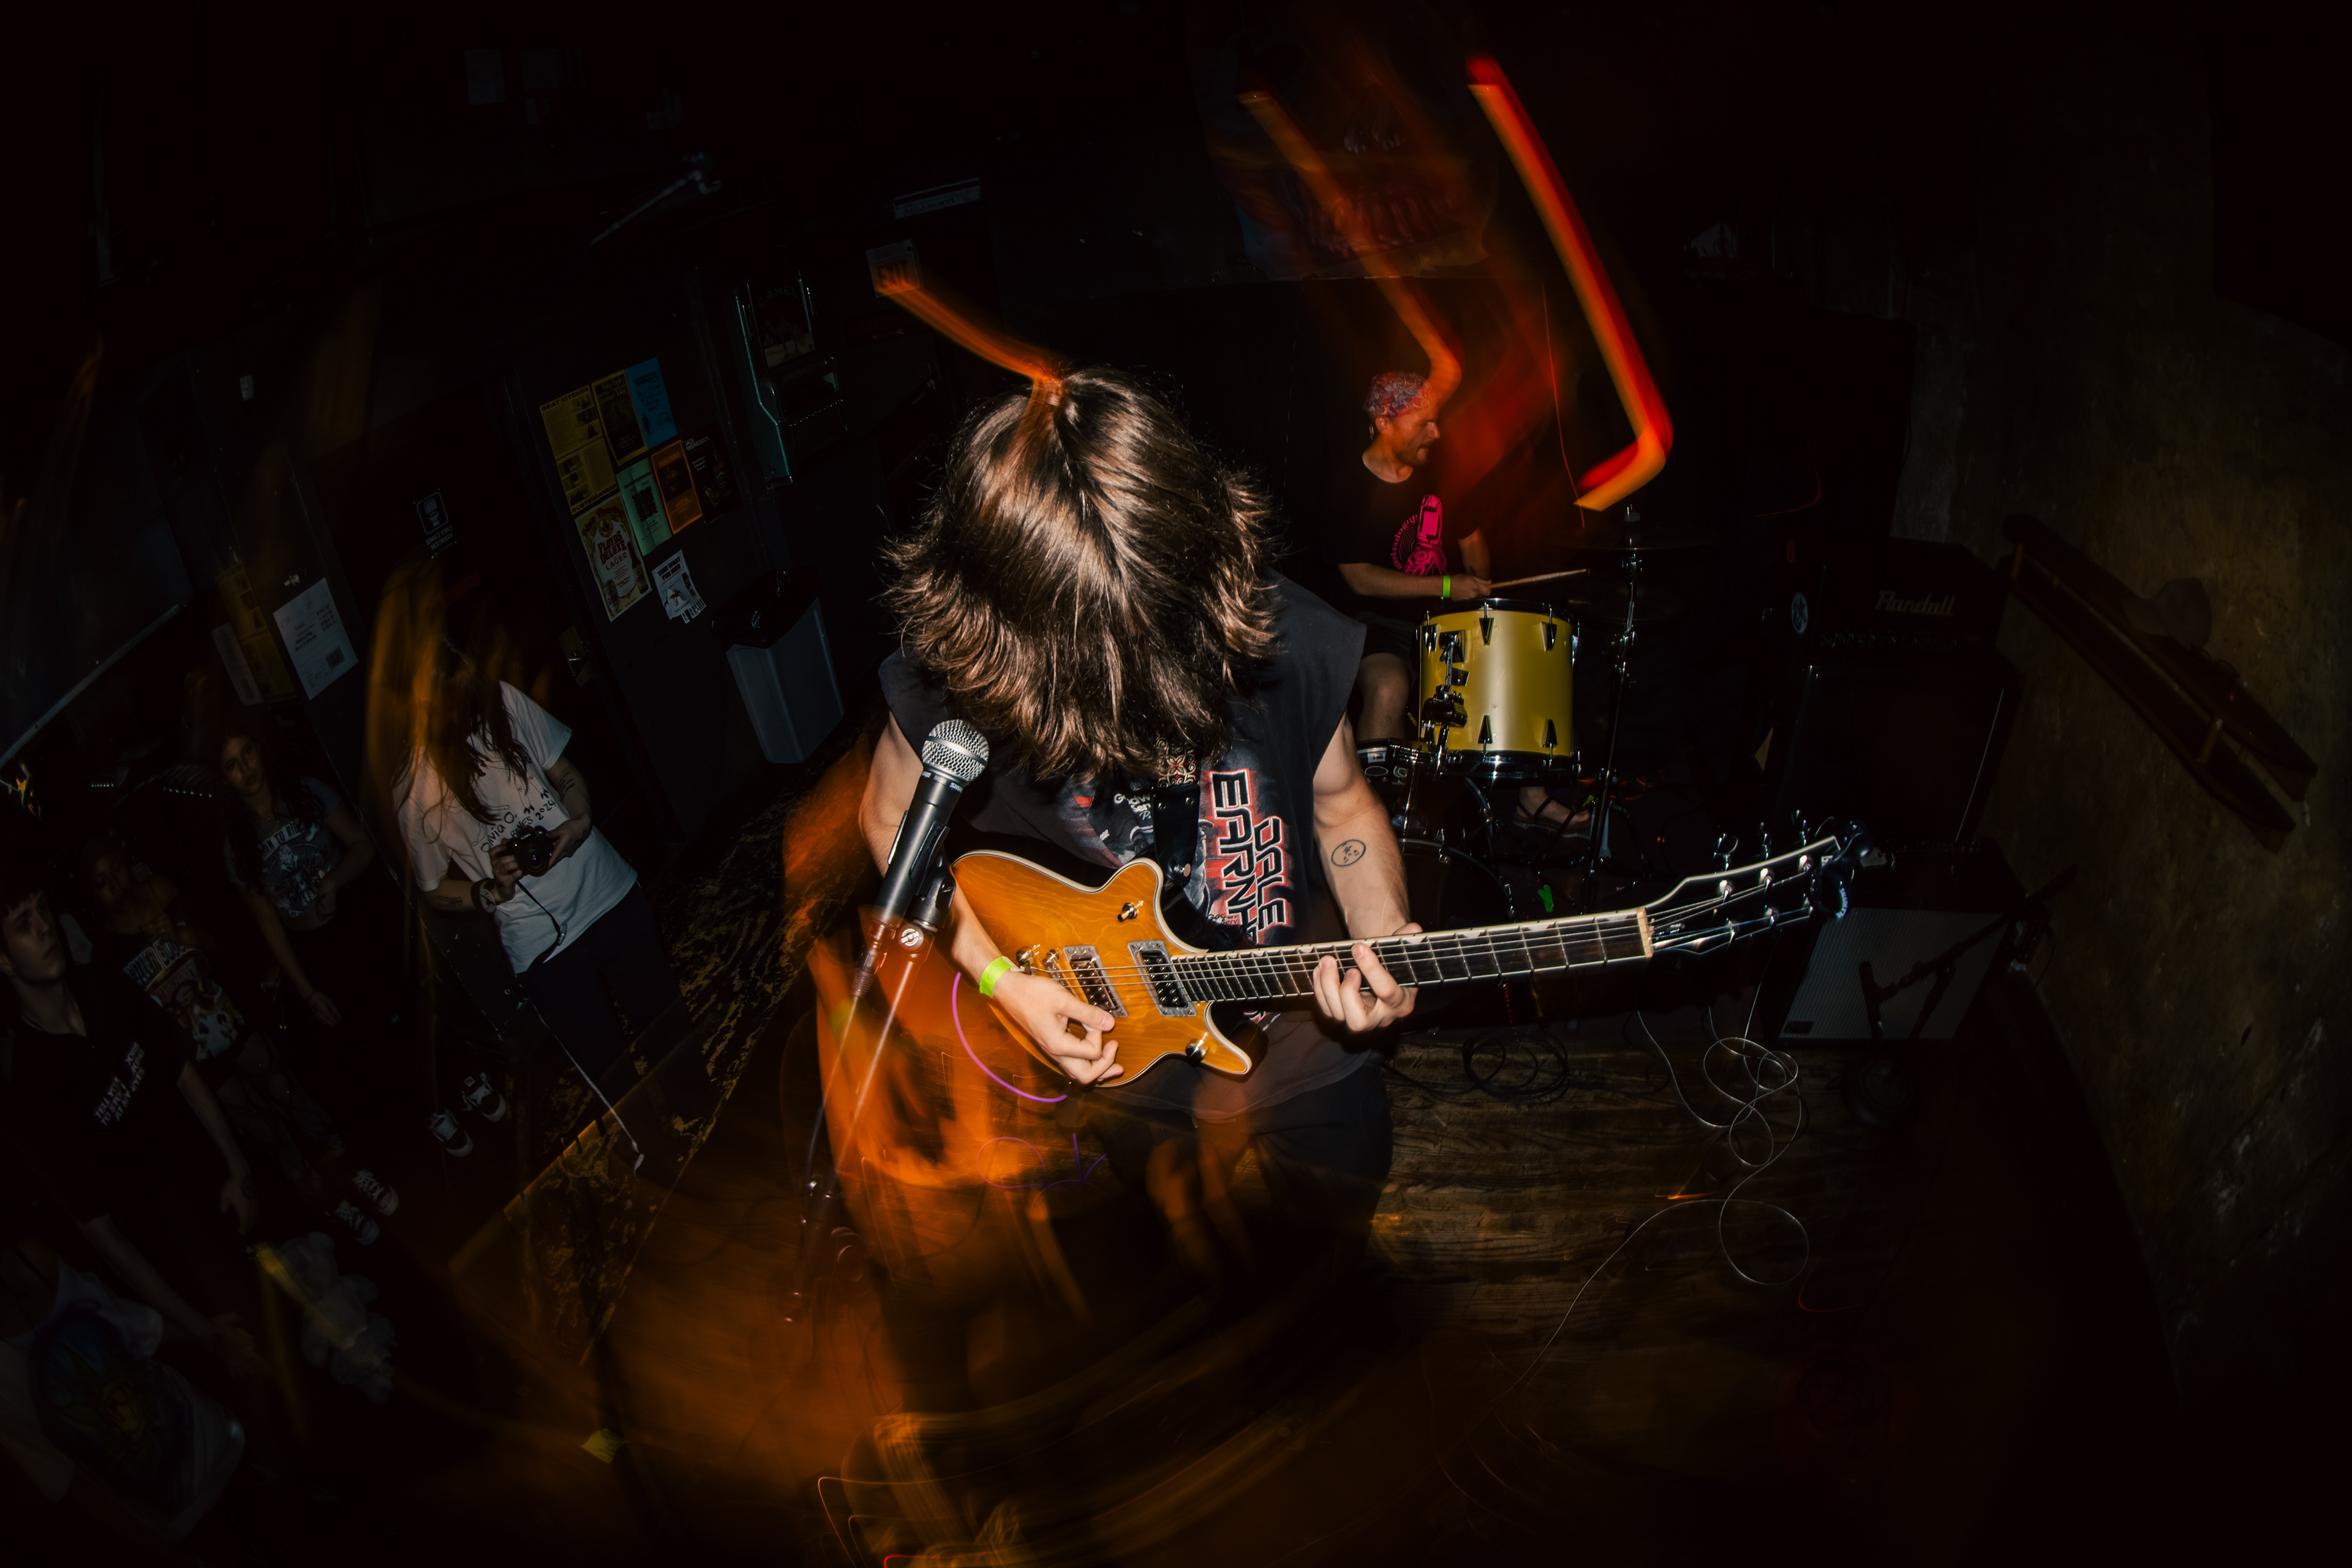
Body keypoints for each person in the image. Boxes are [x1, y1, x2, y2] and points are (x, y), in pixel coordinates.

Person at [864, 366, 1419, 1268]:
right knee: (1179, 1267)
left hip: (1305, 1036)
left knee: (1333, 1254)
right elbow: (892, 822)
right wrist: (1005, 984)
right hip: (1128, 1049)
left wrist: (1384, 933)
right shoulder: (962, 673)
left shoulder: (1289, 633)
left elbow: (1343, 806)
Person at [0, 858, 265, 1386]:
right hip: (189, 1264)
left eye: (43, 911)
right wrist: (201, 1328)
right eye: (23, 925)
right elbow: (103, 1235)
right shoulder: (33, 1091)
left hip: (231, 1194)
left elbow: (179, 1068)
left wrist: (235, 1161)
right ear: (3, 960)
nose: (45, 929)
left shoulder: (101, 984)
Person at [81, 832, 391, 1242]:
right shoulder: (103, 952)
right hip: (191, 1054)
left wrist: (182, 935)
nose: (114, 885)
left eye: (116, 871)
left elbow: (217, 941)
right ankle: (331, 1201)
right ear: (91, 892)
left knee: (286, 1090)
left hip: (224, 1016)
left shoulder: (158, 890)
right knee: (259, 1126)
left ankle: (353, 1171)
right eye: (101, 881)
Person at [392, 645, 679, 1087]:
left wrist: (579, 822)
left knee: (672, 1038)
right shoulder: (414, 788)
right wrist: (492, 891)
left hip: (608, 891)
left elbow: (563, 772)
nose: (469, 710)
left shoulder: (502, 699)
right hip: (542, 944)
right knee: (613, 1080)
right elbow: (434, 890)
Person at [1329, 369, 1580, 830]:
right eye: (1424, 423)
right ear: (1384, 422)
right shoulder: (1347, 484)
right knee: (1388, 687)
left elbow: (1472, 541)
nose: (1436, 433)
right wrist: (1447, 587)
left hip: (1447, 618)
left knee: (1516, 655)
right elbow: (1359, 578)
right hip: (1377, 621)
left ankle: (1532, 800)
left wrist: (1480, 594)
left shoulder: (1441, 472)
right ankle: (1371, 822)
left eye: (1437, 421)